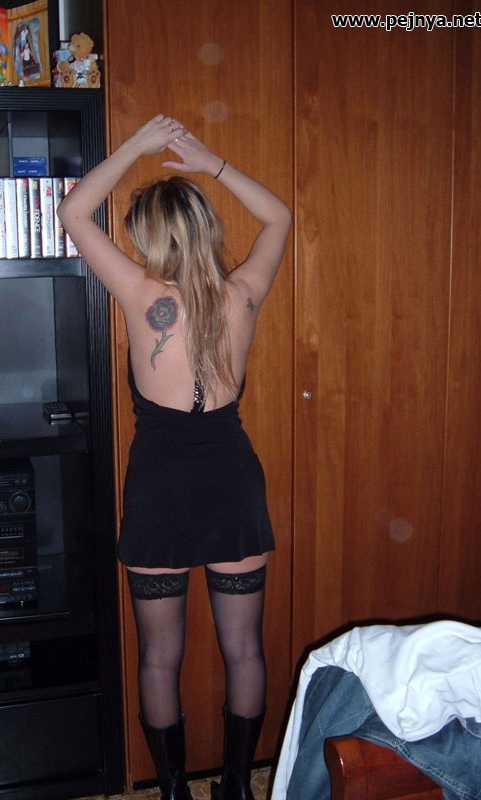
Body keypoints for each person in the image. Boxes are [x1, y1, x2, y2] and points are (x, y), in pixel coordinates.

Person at [58, 114, 291, 800]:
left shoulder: (139, 293)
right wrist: (211, 163)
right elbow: (278, 216)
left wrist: (137, 145)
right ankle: (238, 789)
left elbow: (72, 212)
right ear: (205, 229)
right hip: (232, 481)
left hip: (159, 485)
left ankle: (174, 794)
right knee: (243, 650)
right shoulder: (241, 294)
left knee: (160, 657)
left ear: (152, 238)